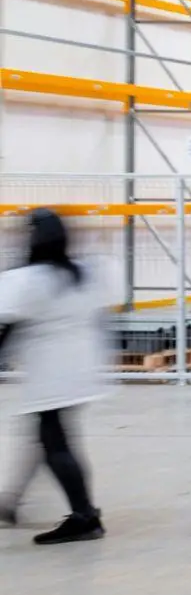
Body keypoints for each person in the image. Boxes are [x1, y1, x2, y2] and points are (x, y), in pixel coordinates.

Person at [0, 209, 111, 544]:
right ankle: (10, 502)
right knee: (46, 436)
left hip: (51, 372)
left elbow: (9, 325)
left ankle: (85, 516)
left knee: (54, 441)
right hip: (80, 368)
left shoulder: (31, 279)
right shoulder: (81, 274)